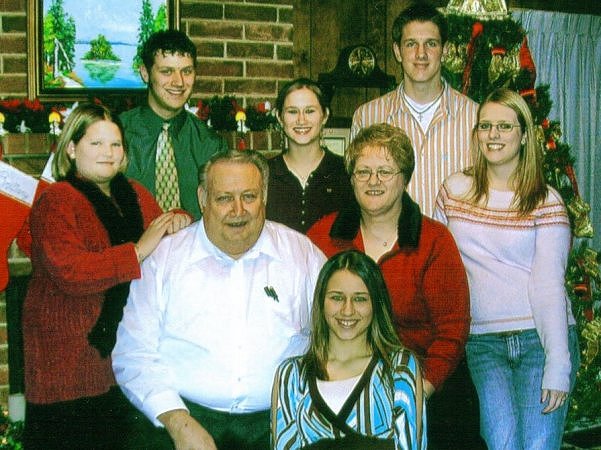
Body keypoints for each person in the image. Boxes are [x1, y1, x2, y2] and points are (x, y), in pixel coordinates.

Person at [112, 149, 327, 450]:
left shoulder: (303, 256)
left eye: (249, 197)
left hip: (280, 423)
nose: (238, 210)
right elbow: (133, 352)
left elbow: (333, 342)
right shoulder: (165, 259)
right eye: (224, 198)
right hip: (183, 418)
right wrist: (177, 422)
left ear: (264, 196)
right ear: (202, 199)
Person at [21, 104, 191, 449]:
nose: (108, 153)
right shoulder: (57, 199)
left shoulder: (133, 193)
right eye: (96, 144)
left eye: (115, 145)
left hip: (118, 358)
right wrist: (137, 251)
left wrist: (180, 220)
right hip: (65, 366)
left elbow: (165, 226)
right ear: (71, 147)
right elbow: (72, 272)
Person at [307, 123, 471, 444]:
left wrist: (415, 392)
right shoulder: (322, 237)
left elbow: (453, 329)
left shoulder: (435, 241)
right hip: (343, 382)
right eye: (363, 171)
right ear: (351, 178)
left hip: (426, 385)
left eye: (385, 171)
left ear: (404, 178)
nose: (373, 181)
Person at [434, 88, 579, 450]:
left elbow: (548, 285)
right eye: (485, 126)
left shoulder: (546, 201)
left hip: (538, 341)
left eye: (504, 126)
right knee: (501, 445)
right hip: (483, 344)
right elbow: (442, 267)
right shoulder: (454, 191)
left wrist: (558, 366)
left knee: (537, 447)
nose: (493, 135)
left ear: (524, 135)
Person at [272, 249, 427, 450]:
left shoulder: (399, 368)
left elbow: (410, 445)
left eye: (360, 299)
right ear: (321, 301)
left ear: (376, 304)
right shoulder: (291, 377)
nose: (347, 310)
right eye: (337, 298)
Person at [351, 2, 478, 218]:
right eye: (411, 44)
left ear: (445, 50)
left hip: (454, 248)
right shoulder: (368, 117)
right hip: (390, 249)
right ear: (397, 51)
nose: (421, 54)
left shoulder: (474, 116)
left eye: (431, 44)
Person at [121, 29, 227, 220]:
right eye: (166, 71)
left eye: (186, 71)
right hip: (130, 247)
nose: (178, 82)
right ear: (145, 73)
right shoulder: (115, 133)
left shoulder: (211, 144)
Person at [266, 78, 353, 233]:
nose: (301, 120)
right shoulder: (264, 174)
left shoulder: (346, 173)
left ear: (325, 115)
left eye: (310, 111)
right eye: (292, 111)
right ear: (280, 118)